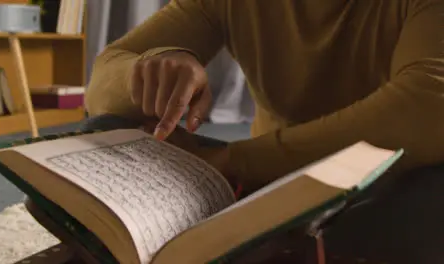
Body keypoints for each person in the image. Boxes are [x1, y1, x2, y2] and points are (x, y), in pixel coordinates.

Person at [82, 0, 444, 263]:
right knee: (106, 132)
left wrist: (236, 161)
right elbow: (102, 84)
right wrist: (154, 68)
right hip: (265, 189)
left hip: (384, 182)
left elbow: (429, 109)